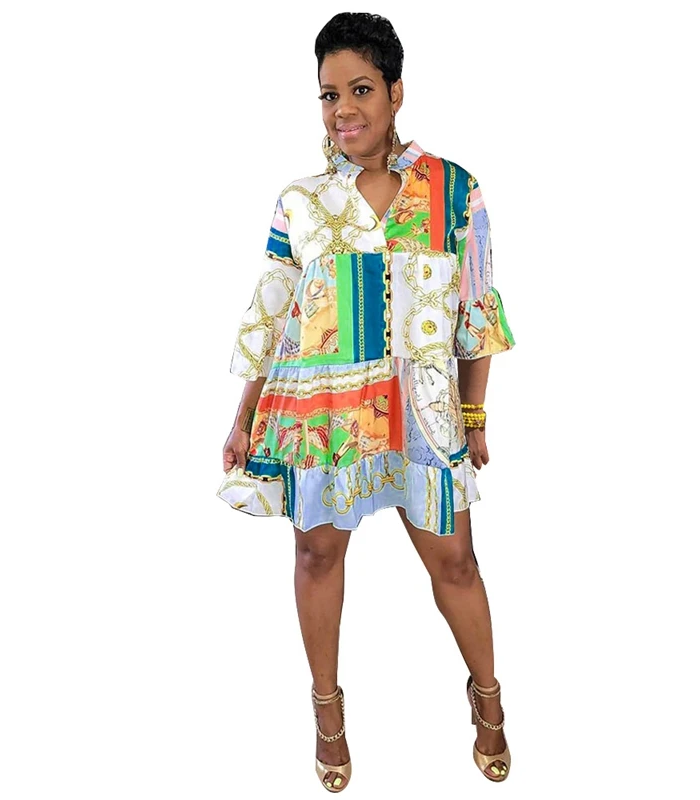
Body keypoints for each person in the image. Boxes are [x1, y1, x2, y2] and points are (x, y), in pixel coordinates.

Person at [217, 12, 516, 791]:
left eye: (359, 90)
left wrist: (475, 415)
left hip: (423, 415)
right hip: (323, 414)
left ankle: (487, 698)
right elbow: (273, 312)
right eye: (328, 95)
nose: (342, 109)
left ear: (395, 92)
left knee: (457, 563)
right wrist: (244, 416)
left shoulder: (453, 190)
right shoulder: (301, 202)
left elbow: (478, 309)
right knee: (316, 554)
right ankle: (328, 713)